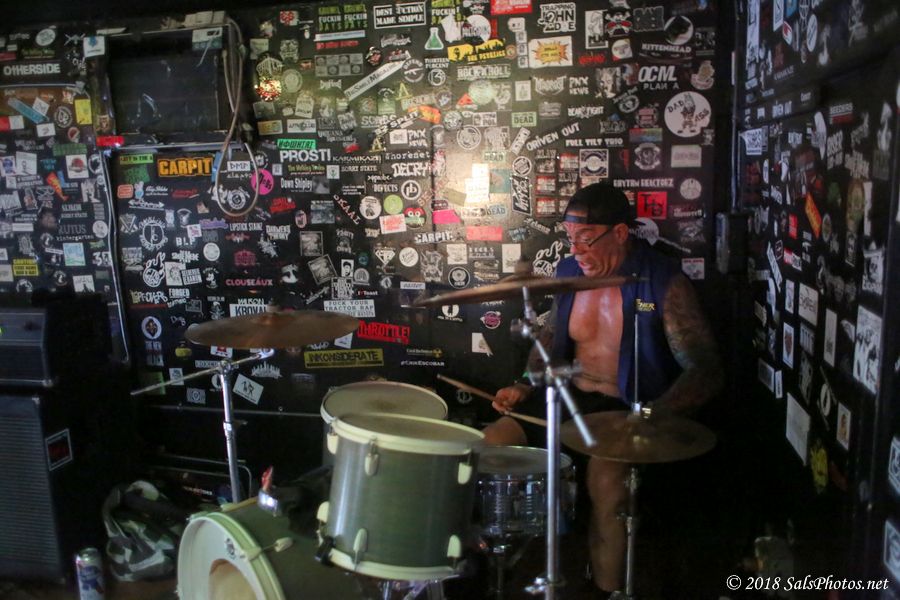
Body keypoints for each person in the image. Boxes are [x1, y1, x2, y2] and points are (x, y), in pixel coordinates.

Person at [483, 183, 723, 597]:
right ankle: (488, 571)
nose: (576, 250)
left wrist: (652, 414)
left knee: (608, 482)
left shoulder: (662, 281)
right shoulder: (568, 272)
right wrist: (524, 384)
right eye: (570, 238)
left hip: (624, 408)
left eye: (586, 238)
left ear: (620, 233)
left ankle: (606, 589)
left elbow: (705, 369)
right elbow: (551, 334)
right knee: (490, 444)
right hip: (565, 398)